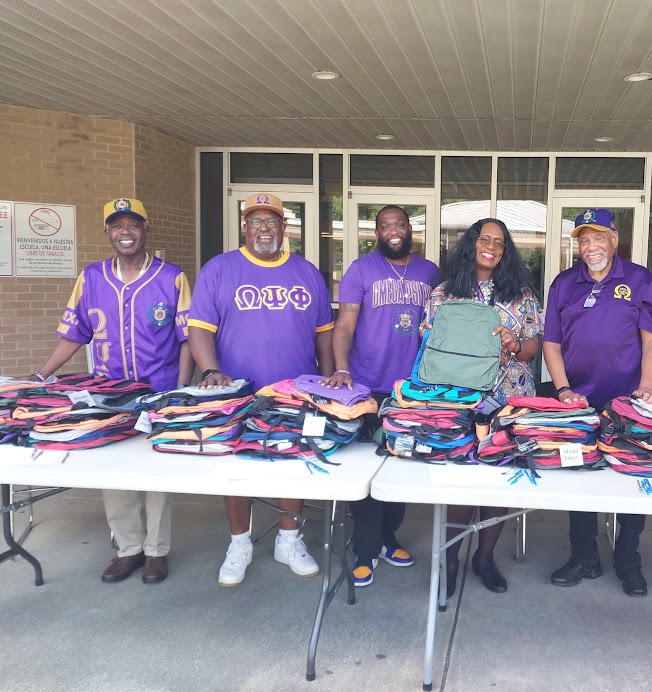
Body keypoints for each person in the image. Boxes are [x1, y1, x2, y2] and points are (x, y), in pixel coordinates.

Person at [31, 197, 193, 584]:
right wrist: (41, 376)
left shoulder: (172, 277)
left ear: (145, 230)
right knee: (113, 475)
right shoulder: (90, 277)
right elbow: (74, 334)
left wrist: (181, 390)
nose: (126, 232)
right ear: (107, 232)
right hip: (108, 396)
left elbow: (188, 338)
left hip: (159, 392)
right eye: (117, 225)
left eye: (133, 224)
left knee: (155, 475)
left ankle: (156, 552)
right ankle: (128, 549)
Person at [187, 192, 335, 587]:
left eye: (271, 221)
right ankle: (239, 543)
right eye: (255, 221)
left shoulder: (307, 273)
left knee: (293, 463)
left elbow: (324, 336)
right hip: (237, 390)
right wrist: (211, 370)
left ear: (284, 228)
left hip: (295, 391)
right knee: (237, 469)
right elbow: (198, 328)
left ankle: (289, 539)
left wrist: (328, 380)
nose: (264, 228)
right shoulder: (219, 269)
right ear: (244, 227)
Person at [543, 208, 652, 597]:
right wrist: (562, 390)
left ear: (614, 239)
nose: (590, 246)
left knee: (633, 475)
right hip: (579, 401)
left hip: (628, 402)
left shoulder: (639, 279)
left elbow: (651, 339)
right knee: (581, 476)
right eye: (583, 239)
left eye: (598, 238)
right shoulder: (564, 283)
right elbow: (551, 343)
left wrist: (646, 386)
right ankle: (584, 557)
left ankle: (629, 560)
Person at [321, 205, 439, 587]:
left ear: (409, 228)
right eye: (385, 225)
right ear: (377, 232)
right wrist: (341, 369)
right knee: (366, 471)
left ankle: (388, 538)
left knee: (400, 464)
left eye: (399, 224)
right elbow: (345, 324)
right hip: (369, 386)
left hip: (413, 391)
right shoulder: (361, 269)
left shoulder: (430, 272)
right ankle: (365, 550)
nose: (393, 231)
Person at [424, 218, 540, 596]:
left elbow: (533, 347)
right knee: (459, 484)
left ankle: (485, 557)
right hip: (458, 400)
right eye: (484, 239)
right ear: (471, 244)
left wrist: (513, 343)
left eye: (500, 242)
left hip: (507, 399)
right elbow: (429, 344)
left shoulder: (520, 295)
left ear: (506, 251)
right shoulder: (444, 293)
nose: (491, 246)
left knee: (497, 483)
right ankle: (451, 558)